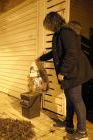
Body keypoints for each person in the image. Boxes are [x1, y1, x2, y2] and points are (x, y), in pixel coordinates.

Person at [37, 12, 93, 140]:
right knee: (69, 97)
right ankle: (68, 124)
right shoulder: (58, 34)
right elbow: (56, 52)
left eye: (48, 25)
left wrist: (62, 72)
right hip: (70, 71)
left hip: (75, 71)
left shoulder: (65, 32)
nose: (48, 28)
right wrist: (41, 58)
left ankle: (82, 132)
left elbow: (71, 53)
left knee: (76, 98)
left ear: (52, 22)